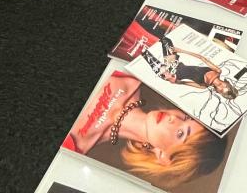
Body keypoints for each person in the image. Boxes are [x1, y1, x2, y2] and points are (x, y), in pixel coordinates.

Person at [62, 72, 228, 190]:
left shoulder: (72, 148)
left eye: (180, 134)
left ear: (164, 157)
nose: (173, 118)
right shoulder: (133, 74)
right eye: (186, 118)